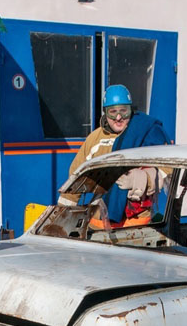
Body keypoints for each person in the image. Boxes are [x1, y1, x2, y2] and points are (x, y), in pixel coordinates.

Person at [62, 84, 171, 226]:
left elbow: (170, 168)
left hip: (136, 220)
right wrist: (63, 216)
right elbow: (75, 178)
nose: (118, 117)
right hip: (99, 218)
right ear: (105, 113)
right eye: (113, 112)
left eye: (124, 111)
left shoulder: (146, 132)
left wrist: (147, 177)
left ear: (131, 110)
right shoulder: (94, 140)